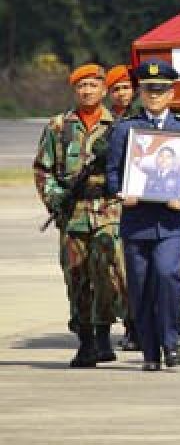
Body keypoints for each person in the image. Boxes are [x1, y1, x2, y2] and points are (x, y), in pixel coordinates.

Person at [106, 59, 180, 371]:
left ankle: (171, 342)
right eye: (149, 90)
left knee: (167, 276)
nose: (154, 95)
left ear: (171, 94)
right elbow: (112, 172)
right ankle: (150, 351)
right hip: (137, 222)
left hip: (172, 222)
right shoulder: (126, 130)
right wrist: (122, 193)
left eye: (161, 90)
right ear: (141, 92)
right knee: (139, 287)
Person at [33, 63, 126, 367]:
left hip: (109, 211)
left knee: (107, 273)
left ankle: (103, 332)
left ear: (103, 89)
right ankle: (85, 340)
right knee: (77, 278)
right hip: (73, 215)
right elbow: (43, 169)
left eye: (93, 85)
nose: (87, 91)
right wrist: (54, 198)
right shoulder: (59, 127)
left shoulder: (119, 127)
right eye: (81, 86)